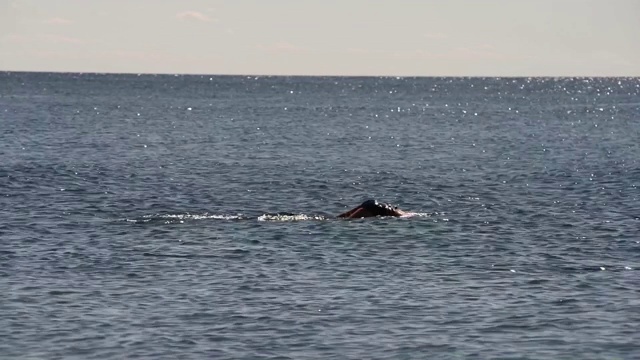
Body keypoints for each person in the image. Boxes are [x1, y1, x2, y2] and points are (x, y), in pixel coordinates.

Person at [337, 199, 406, 219]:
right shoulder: (401, 214)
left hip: (373, 204)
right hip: (375, 208)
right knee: (348, 219)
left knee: (342, 217)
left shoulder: (399, 212)